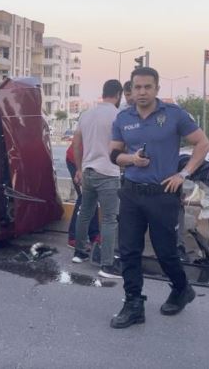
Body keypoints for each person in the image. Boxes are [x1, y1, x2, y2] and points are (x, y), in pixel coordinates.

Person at [108, 67, 209, 329]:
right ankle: (133, 303)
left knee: (165, 252)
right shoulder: (123, 118)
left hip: (163, 194)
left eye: (147, 87)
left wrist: (184, 174)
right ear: (130, 89)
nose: (142, 92)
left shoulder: (174, 115)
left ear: (156, 89)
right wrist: (131, 159)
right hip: (131, 192)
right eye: (137, 87)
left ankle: (181, 289)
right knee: (129, 251)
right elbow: (114, 155)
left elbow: (202, 143)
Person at [71, 80, 123, 279]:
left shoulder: (87, 114)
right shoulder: (118, 116)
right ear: (118, 94)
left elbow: (76, 144)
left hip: (88, 171)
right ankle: (107, 265)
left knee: (85, 213)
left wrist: (79, 168)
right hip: (108, 173)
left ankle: (79, 252)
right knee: (109, 219)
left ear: (103, 93)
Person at [65, 140, 100, 249]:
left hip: (91, 162)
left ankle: (94, 234)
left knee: (92, 196)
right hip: (76, 160)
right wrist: (79, 170)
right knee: (85, 197)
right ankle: (73, 237)